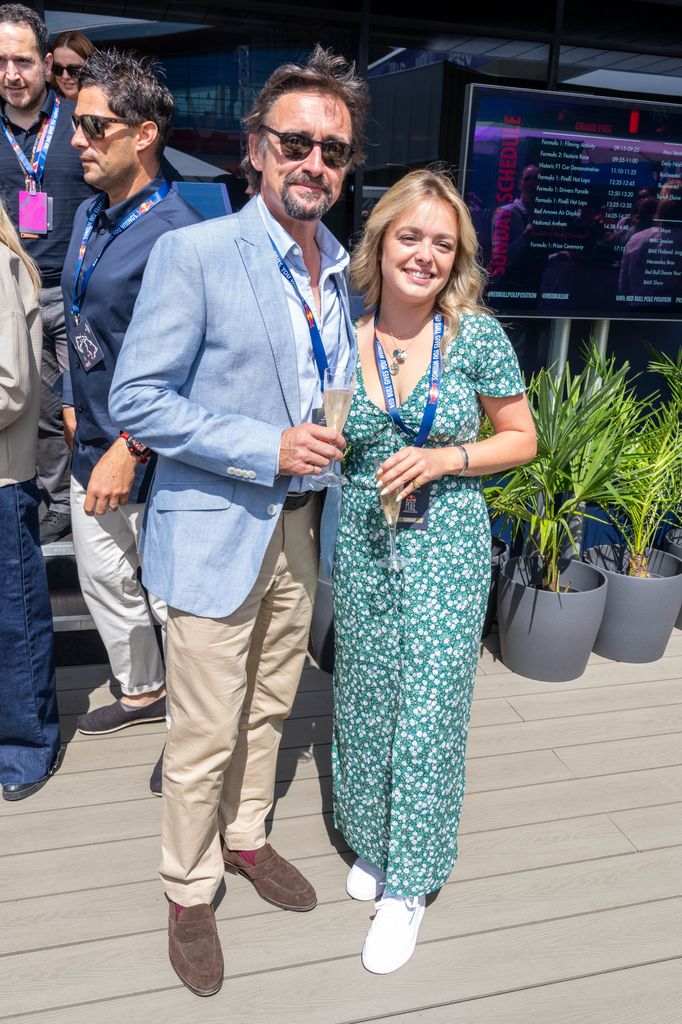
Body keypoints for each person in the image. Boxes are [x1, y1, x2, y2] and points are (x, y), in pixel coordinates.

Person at [109, 45, 367, 997]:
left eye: (333, 151)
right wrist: (266, 447)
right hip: (220, 524)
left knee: (270, 705)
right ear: (256, 150)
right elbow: (138, 398)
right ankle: (189, 887)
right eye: (295, 142)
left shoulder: (340, 269)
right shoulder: (197, 251)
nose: (315, 163)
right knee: (204, 730)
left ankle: (248, 834)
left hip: (302, 529)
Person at [332, 168, 536, 974]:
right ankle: (373, 839)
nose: (423, 255)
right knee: (367, 694)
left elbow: (520, 438)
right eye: (409, 237)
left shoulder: (476, 335)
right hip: (366, 548)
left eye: (441, 244)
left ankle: (410, 883)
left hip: (446, 549)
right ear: (380, 241)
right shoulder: (339, 326)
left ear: (458, 261)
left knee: (428, 710)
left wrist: (448, 457)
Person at [60, 50, 202, 776]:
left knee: (171, 603)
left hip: (147, 461)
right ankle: (143, 690)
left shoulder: (178, 233)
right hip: (89, 441)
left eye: (93, 125)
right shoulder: (89, 211)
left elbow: (190, 368)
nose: (76, 139)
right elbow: (77, 315)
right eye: (76, 122)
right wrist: (66, 399)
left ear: (143, 134)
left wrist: (132, 446)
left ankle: (191, 723)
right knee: (105, 582)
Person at [0, 4, 93, 543]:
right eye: (2, 62)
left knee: (87, 406)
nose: (12, 74)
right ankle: (54, 503)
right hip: (19, 295)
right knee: (34, 409)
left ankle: (92, 502)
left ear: (45, 60)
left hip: (80, 290)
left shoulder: (81, 123)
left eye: (24, 61)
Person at [0, 194, 63, 800]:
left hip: (2, 477)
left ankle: (29, 749)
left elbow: (11, 388)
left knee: (13, 620)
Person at [51, 29, 94, 101]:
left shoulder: (105, 108)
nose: (65, 76)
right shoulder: (47, 106)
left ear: (91, 68)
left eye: (73, 70)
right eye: (58, 69)